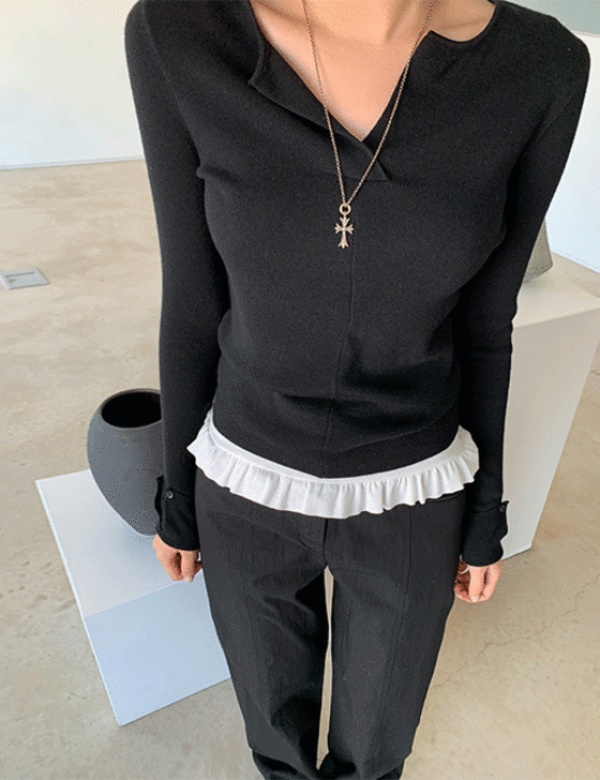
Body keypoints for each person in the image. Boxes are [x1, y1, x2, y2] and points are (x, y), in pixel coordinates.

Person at [124, 1, 590, 777]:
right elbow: (193, 300)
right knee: (274, 741)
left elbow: (487, 319)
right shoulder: (180, 31)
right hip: (244, 479)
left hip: (413, 489)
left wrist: (485, 512)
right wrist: (177, 498)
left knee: (376, 752)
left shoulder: (542, 67)